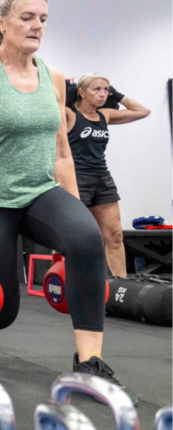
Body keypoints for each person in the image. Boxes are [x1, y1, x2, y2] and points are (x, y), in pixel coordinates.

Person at [0, 0, 133, 400]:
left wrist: (73, 208)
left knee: (87, 238)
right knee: (0, 313)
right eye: (27, 17)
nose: (37, 25)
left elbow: (61, 151)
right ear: (1, 23)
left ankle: (88, 362)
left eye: (43, 19)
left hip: (40, 191)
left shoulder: (54, 77)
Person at [65, 74, 150, 278]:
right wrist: (65, 89)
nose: (102, 94)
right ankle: (67, 283)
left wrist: (118, 94)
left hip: (102, 179)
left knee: (115, 235)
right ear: (82, 92)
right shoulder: (68, 114)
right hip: (76, 179)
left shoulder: (106, 115)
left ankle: (121, 286)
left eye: (106, 90)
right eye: (96, 89)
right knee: (72, 236)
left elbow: (143, 111)